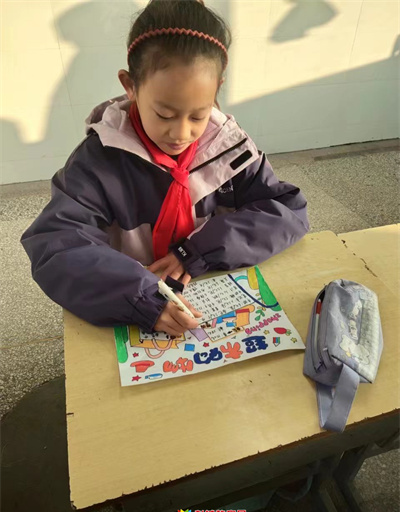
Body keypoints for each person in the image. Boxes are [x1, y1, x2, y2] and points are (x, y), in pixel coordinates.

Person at [21, 0, 309, 336]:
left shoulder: (228, 148)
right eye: (164, 115)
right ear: (130, 86)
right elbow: (57, 245)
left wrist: (198, 250)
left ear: (217, 88)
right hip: (132, 305)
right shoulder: (98, 162)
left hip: (207, 293)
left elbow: (287, 212)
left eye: (198, 115)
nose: (181, 134)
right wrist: (141, 298)